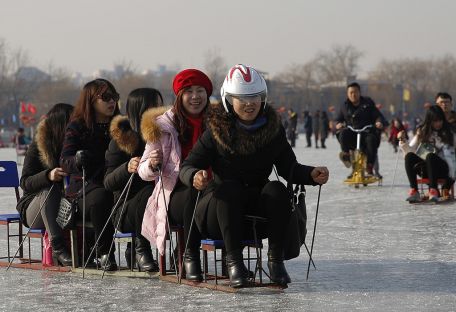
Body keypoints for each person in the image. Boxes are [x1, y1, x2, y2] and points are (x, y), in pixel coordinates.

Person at [179, 64, 329, 288]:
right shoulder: (215, 132)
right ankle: (234, 263)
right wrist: (194, 176)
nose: (250, 103)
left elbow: (289, 166)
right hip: (220, 213)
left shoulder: (273, 130)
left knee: (277, 189)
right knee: (230, 189)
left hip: (257, 217)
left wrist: (311, 174)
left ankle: (275, 261)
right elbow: (187, 166)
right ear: (230, 100)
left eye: (255, 97)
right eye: (242, 98)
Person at [137, 69, 213, 279]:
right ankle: (189, 255)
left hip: (211, 188)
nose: (196, 96)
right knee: (191, 193)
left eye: (201, 91)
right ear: (179, 96)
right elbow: (143, 171)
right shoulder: (163, 126)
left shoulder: (217, 123)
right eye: (189, 91)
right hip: (174, 195)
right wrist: (152, 164)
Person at [60, 78, 120, 270]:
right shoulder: (77, 127)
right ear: (91, 101)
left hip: (116, 181)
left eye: (114, 97)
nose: (112, 102)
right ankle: (104, 252)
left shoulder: (120, 125)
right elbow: (64, 160)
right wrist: (77, 159)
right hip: (85, 188)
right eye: (106, 97)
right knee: (102, 197)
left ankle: (139, 250)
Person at [104, 88, 164, 272]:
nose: (161, 110)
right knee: (147, 193)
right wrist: (126, 168)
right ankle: (141, 248)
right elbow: (108, 182)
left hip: (161, 202)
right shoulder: (122, 140)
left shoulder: (164, 134)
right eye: (156, 106)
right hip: (125, 209)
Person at [16, 103, 74, 266]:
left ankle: (89, 247)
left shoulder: (74, 146)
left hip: (65, 206)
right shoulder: (38, 145)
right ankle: (58, 246)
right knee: (50, 188)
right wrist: (48, 175)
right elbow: (25, 182)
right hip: (34, 208)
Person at [399, 105, 455, 202]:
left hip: (445, 169)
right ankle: (414, 190)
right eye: (435, 121)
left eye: (440, 120)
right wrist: (403, 140)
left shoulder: (449, 132)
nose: (438, 124)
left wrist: (451, 179)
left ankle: (433, 190)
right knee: (409, 156)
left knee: (430, 156)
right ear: (429, 121)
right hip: (427, 169)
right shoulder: (423, 131)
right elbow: (410, 150)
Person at [335, 82, 386, 175]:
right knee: (343, 133)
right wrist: (338, 124)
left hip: (366, 133)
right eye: (351, 92)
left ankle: (369, 165)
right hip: (352, 133)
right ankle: (346, 156)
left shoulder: (368, 103)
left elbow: (377, 115)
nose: (353, 94)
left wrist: (378, 122)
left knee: (371, 140)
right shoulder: (344, 106)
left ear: (359, 92)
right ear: (347, 94)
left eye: (355, 92)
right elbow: (338, 119)